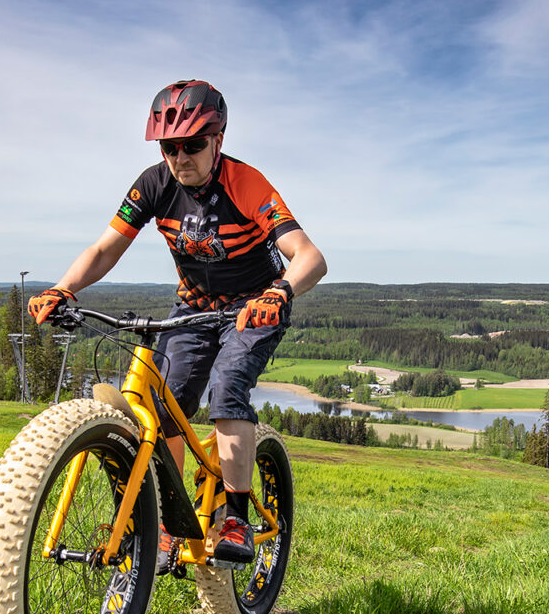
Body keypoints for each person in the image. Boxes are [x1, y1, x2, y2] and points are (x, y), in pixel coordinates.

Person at [27, 79, 327, 565]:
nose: (180, 157)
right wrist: (64, 288)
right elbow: (106, 247)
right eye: (169, 147)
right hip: (193, 305)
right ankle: (170, 522)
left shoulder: (246, 184)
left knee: (228, 385)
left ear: (219, 141)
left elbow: (310, 257)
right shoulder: (153, 184)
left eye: (193, 145)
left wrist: (280, 291)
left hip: (253, 305)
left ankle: (235, 518)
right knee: (164, 403)